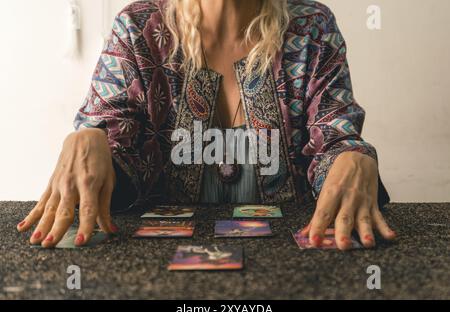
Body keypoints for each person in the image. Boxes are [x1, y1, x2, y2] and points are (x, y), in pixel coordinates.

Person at [17, 0, 396, 251]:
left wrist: (353, 155)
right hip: (156, 271)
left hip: (292, 263)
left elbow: (334, 134)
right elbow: (113, 132)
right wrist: (90, 136)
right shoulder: (138, 27)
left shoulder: (312, 27)